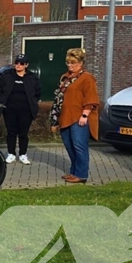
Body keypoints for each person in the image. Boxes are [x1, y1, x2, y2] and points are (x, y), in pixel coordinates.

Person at [49, 48, 99, 184]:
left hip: (79, 118)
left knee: (79, 145)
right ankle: (74, 171)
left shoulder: (87, 78)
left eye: (73, 63)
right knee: (69, 145)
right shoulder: (66, 78)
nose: (70, 66)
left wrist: (85, 115)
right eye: (68, 63)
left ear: (81, 63)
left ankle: (81, 174)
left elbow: (91, 98)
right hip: (65, 117)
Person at [0, 54, 42, 164]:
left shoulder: (32, 78)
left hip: (26, 110)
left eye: (21, 63)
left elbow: (37, 93)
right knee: (11, 132)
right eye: (16, 62)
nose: (18, 65)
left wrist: (32, 104)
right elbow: (0, 90)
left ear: (26, 65)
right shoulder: (7, 76)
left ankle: (23, 154)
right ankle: (11, 153)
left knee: (23, 133)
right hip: (9, 109)